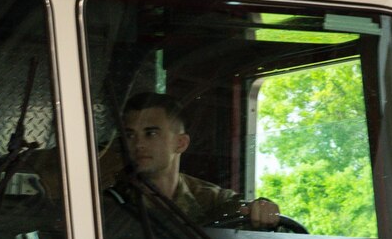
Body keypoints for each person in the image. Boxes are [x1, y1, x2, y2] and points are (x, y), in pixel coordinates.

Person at [115, 93, 280, 228]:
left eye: (150, 133)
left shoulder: (209, 199)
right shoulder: (110, 201)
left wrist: (262, 208)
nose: (138, 144)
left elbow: (244, 208)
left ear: (181, 143)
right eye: (130, 135)